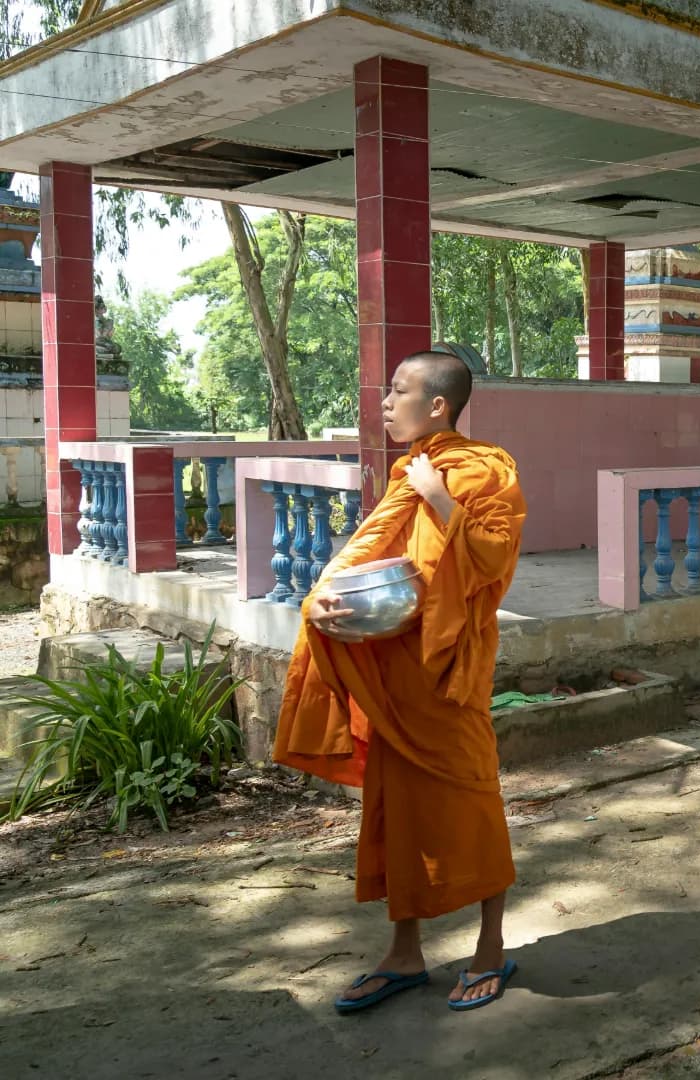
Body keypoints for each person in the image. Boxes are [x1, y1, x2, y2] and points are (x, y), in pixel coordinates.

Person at [275, 350, 526, 1013]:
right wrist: (324, 597)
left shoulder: (482, 470)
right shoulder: (406, 474)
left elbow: (494, 560)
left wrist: (440, 498)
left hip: (449, 674)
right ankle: (404, 952)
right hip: (398, 669)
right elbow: (375, 553)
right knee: (396, 811)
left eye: (398, 392)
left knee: (473, 803)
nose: (385, 403)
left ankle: (491, 947)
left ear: (437, 405)